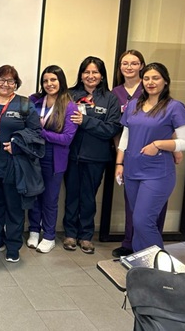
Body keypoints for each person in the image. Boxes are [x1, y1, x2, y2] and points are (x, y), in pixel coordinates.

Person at [115, 63, 185, 252]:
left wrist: (159, 144)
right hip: (132, 170)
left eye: (156, 78)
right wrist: (119, 163)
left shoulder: (174, 107)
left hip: (157, 173)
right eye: (147, 78)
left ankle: (159, 263)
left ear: (165, 81)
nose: (151, 82)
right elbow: (126, 136)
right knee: (137, 221)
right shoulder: (133, 105)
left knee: (143, 220)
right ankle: (141, 260)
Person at [0, 65, 42, 263]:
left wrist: (17, 144)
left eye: (10, 81)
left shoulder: (24, 105)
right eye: (1, 80)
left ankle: (13, 245)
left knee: (14, 206)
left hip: (14, 165)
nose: (5, 84)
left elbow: (36, 133)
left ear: (16, 84)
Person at [63, 56, 121, 254]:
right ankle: (70, 233)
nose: (90, 76)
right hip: (71, 155)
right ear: (81, 75)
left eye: (95, 72)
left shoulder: (110, 99)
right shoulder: (70, 95)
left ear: (102, 76)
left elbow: (111, 128)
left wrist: (85, 121)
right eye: (86, 72)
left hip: (97, 157)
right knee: (71, 195)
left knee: (89, 197)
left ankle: (86, 235)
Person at [27, 66, 78, 253]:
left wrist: (42, 133)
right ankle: (34, 230)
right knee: (34, 195)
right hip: (34, 155)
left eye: (53, 80)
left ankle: (49, 236)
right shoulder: (35, 101)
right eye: (45, 81)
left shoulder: (69, 106)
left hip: (54, 157)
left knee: (50, 198)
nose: (49, 84)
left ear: (61, 81)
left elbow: (66, 138)